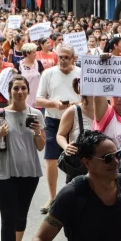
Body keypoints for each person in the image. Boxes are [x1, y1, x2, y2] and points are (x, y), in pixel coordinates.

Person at [0, 75, 45, 241]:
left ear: (28, 91)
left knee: (21, 215)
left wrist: (36, 132)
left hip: (29, 173)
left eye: (23, 88)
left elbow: (41, 146)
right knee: (8, 216)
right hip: (3, 173)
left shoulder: (36, 115)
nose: (19, 92)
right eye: (16, 88)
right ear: (9, 91)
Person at [35, 44, 81, 214]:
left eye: (66, 57)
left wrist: (76, 105)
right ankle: (52, 197)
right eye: (60, 57)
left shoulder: (81, 73)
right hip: (53, 120)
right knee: (51, 160)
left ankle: (74, 195)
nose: (63, 60)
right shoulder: (48, 74)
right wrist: (54, 103)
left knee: (77, 161)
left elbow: (89, 98)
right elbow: (39, 100)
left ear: (73, 58)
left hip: (76, 121)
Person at [56, 78, 95, 183]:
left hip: (100, 168)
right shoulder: (73, 111)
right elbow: (60, 135)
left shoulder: (107, 111)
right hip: (78, 168)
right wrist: (66, 146)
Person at [15, 43, 44, 109]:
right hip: (24, 97)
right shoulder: (18, 65)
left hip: (37, 97)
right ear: (27, 54)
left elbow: (44, 77)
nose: (36, 54)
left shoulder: (38, 63)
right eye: (33, 52)